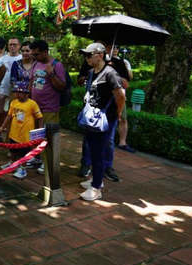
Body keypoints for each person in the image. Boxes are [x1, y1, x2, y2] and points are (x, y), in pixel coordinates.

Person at [77, 43, 125, 202]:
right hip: (92, 117)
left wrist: (118, 113)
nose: (86, 58)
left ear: (99, 55)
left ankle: (96, 187)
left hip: (104, 119)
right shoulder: (92, 72)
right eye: (85, 55)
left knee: (99, 152)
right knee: (92, 148)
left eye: (89, 55)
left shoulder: (110, 74)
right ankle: (95, 179)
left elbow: (121, 95)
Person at [0, 82, 43, 178]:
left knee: (25, 153)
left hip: (25, 135)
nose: (16, 94)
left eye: (19, 92)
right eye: (15, 92)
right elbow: (9, 116)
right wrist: (2, 127)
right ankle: (13, 163)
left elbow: (39, 117)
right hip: (14, 133)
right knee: (13, 150)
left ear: (26, 93)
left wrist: (40, 131)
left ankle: (23, 169)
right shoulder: (14, 103)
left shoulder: (32, 104)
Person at [29, 40, 66, 125]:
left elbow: (62, 87)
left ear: (45, 52)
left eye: (36, 54)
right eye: (33, 54)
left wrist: (51, 74)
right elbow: (31, 81)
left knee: (48, 136)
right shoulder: (35, 64)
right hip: (35, 108)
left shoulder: (57, 65)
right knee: (35, 136)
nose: (34, 57)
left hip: (49, 109)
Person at [0, 37, 22, 133]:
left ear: (19, 46)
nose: (12, 46)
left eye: (14, 44)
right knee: (1, 113)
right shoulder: (2, 59)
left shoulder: (22, 59)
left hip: (17, 91)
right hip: (3, 90)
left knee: (15, 113)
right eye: (10, 44)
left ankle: (12, 134)